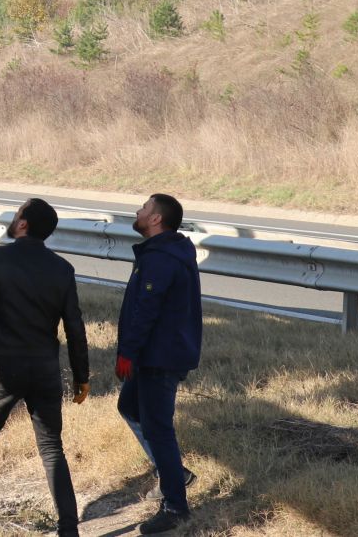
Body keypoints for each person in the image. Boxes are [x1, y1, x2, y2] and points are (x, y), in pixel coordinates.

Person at [0, 198, 89, 537]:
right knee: (52, 447)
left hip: (4, 369)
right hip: (44, 370)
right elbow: (75, 327)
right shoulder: (62, 269)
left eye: (16, 214)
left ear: (23, 224)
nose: (13, 219)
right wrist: (81, 376)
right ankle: (69, 527)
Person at [116, 193, 203, 534]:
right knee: (130, 407)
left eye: (144, 208)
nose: (138, 211)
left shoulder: (161, 258)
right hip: (156, 353)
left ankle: (176, 506)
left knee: (159, 428)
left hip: (158, 356)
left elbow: (146, 309)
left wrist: (129, 352)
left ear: (156, 220)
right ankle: (174, 473)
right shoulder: (163, 252)